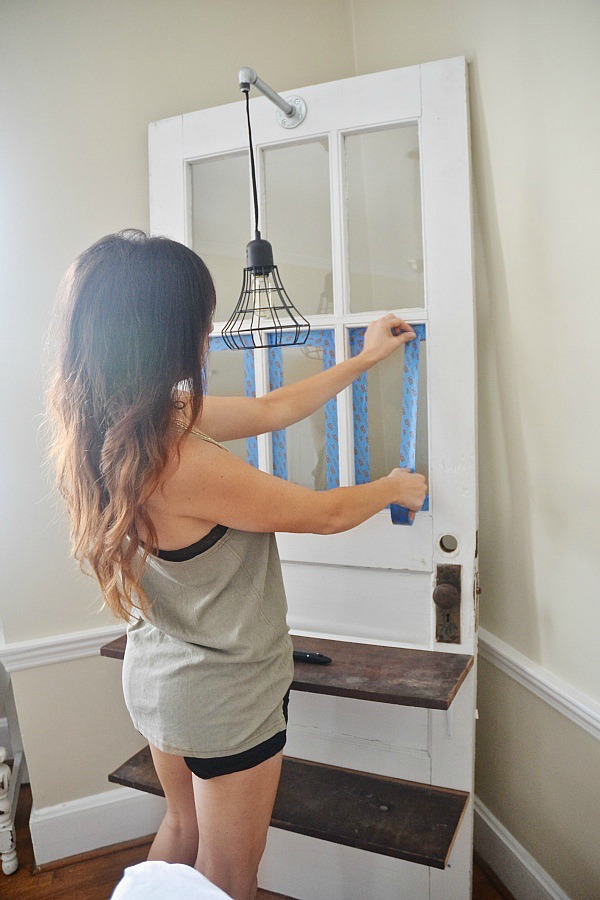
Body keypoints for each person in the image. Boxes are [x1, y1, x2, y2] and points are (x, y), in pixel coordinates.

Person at [45, 229, 427, 900]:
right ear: (165, 333)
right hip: (221, 699)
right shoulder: (178, 460)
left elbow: (273, 409)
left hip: (161, 679)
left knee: (180, 832)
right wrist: (394, 488)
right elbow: (324, 514)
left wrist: (365, 359)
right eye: (200, 318)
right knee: (229, 880)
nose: (206, 334)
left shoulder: (116, 425)